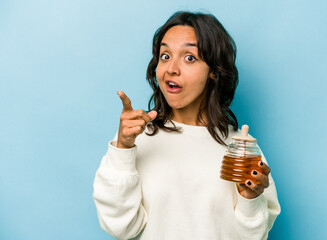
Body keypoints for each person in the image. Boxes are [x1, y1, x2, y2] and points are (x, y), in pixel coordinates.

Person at [93, 11, 281, 240]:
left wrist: (250, 200)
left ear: (214, 71)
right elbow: (120, 228)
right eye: (165, 56)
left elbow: (252, 237)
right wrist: (122, 148)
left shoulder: (242, 150)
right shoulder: (137, 140)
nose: (171, 68)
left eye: (189, 57)